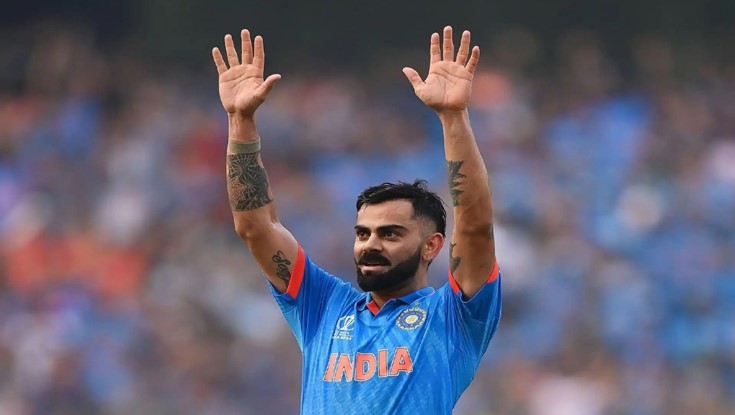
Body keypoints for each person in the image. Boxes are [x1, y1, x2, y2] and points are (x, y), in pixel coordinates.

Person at [212, 25, 501, 414]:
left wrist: (453, 117)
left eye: (390, 234)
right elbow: (255, 227)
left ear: (432, 245)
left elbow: (475, 225)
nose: (371, 244)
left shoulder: (453, 318)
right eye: (363, 233)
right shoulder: (323, 306)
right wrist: (240, 120)